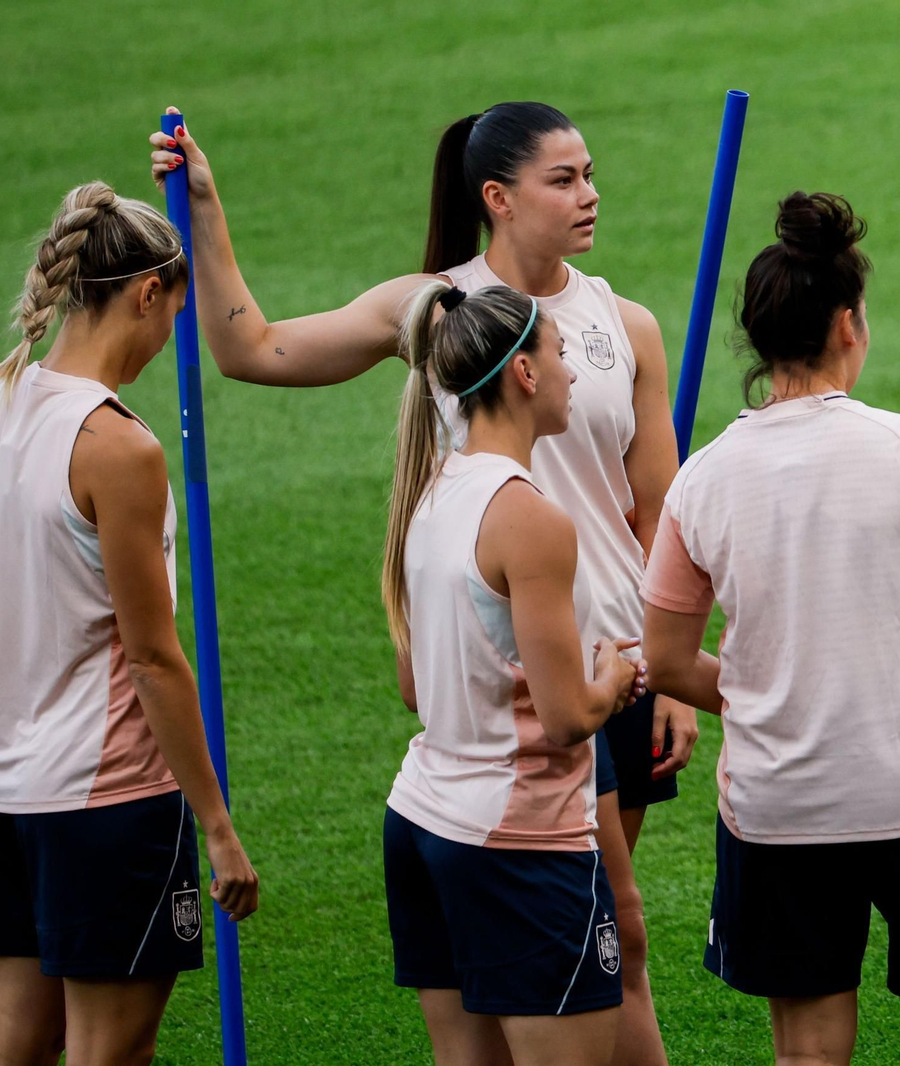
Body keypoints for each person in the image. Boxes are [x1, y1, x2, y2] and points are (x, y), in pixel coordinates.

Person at [146, 102, 688, 1063]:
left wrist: (671, 670)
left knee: (616, 929)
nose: (590, 194)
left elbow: (664, 518)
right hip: (498, 682)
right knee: (576, 923)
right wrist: (206, 209)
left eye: (589, 173)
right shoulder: (437, 308)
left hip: (615, 668)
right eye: (563, 180)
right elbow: (252, 349)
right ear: (497, 198)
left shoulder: (625, 325)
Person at [641, 192, 900, 1066]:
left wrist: (761, 697)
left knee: (808, 1050)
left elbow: (666, 661)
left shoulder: (700, 481)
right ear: (848, 325)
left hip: (776, 802)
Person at [0, 181, 258, 1066]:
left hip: (0, 793)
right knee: (109, 1053)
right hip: (108, 799)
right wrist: (216, 825)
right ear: (146, 293)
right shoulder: (117, 447)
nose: (167, 336)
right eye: (172, 312)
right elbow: (152, 658)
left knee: (15, 1036)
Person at [381, 278, 647, 1066]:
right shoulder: (530, 516)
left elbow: (413, 688)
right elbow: (568, 718)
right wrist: (612, 676)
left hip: (422, 821)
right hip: (520, 842)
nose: (570, 373)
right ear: (525, 375)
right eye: (562, 355)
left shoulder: (426, 493)